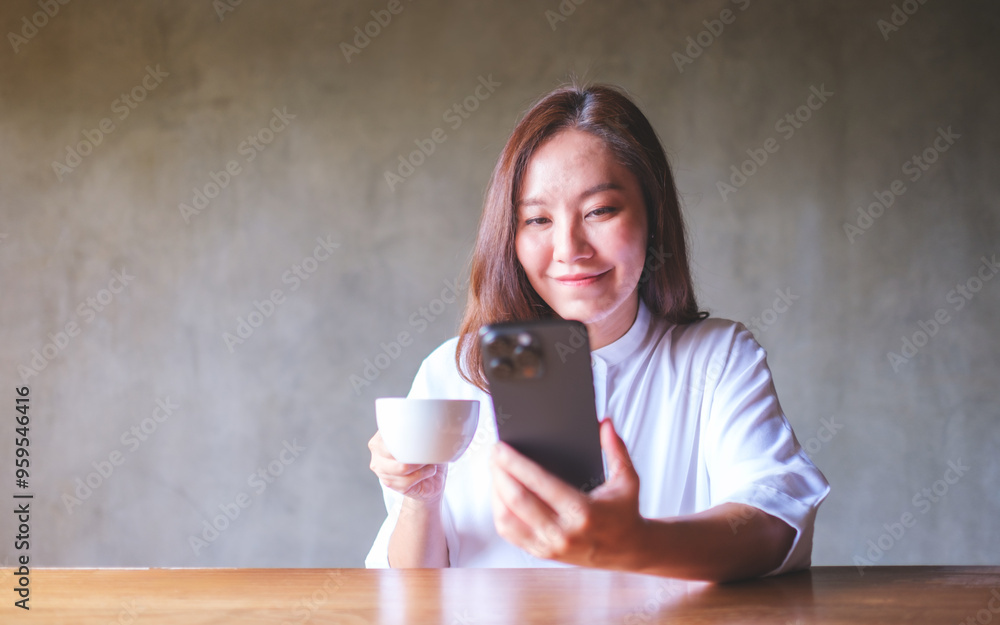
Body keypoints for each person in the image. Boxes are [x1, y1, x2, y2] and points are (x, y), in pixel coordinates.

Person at [366, 83, 830, 582]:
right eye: (538, 219)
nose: (569, 248)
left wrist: (638, 544)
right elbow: (412, 588)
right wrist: (420, 500)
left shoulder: (716, 358)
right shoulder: (453, 372)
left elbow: (774, 521)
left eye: (599, 211)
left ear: (652, 216)